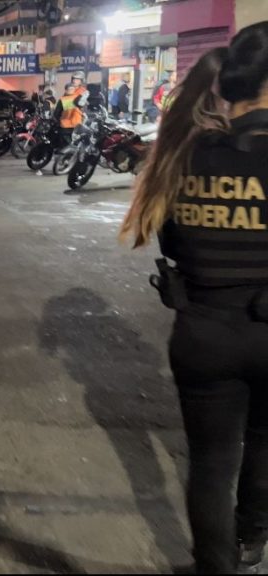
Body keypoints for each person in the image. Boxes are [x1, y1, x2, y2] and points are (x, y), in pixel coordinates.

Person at [120, 26, 268, 574]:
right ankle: (251, 543)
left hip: (202, 330)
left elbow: (172, 240)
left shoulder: (186, 155)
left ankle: (217, 567)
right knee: (264, 446)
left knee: (210, 464)